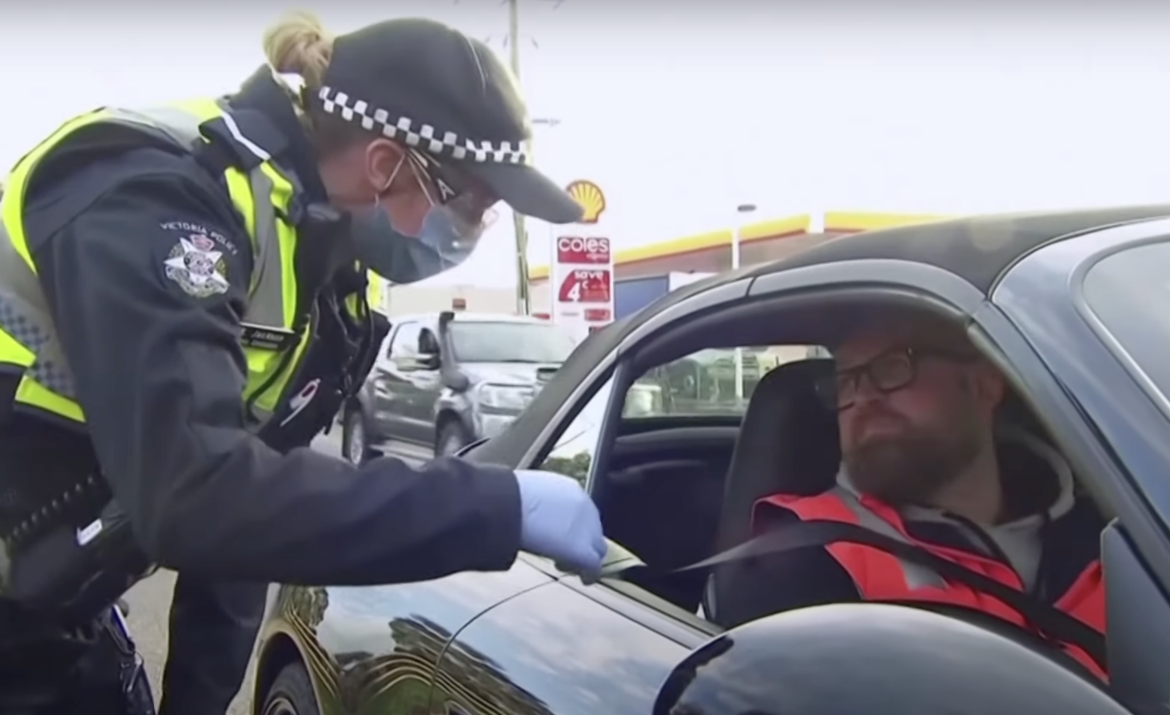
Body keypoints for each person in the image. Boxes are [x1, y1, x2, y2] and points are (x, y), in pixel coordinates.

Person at [0, 11, 606, 715]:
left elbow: (241, 537)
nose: (474, 231)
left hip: (49, 605)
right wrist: (493, 507)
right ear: (386, 164)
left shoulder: (327, 283)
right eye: (474, 206)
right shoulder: (157, 196)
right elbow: (196, 493)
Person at [727, 312, 1106, 677]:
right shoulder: (802, 556)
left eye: (893, 366)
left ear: (984, 385)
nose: (863, 397)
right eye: (846, 381)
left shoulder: (1114, 529)